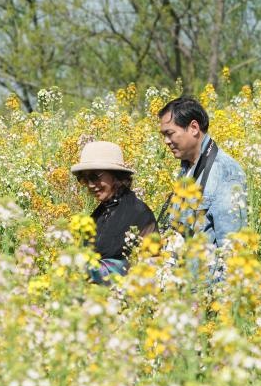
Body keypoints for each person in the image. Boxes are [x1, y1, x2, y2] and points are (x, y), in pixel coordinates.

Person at [157, 97, 246, 248]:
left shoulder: (225, 171)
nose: (166, 141)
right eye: (163, 135)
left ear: (194, 128)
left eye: (170, 133)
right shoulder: (186, 168)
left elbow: (231, 246)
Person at [71, 141, 156, 285]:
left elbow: (149, 268)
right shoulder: (100, 213)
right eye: (84, 179)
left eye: (95, 177)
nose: (90, 185)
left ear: (116, 176)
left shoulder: (139, 213)